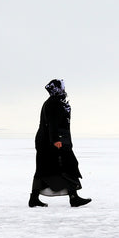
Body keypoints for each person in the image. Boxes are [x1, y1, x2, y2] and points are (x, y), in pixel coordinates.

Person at [29, 79, 91, 208]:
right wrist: (56, 140)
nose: (64, 89)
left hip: (50, 140)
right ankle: (73, 198)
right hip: (51, 141)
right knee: (66, 165)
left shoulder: (56, 102)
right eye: (62, 87)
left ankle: (34, 198)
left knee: (45, 168)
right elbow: (52, 123)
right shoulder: (53, 103)